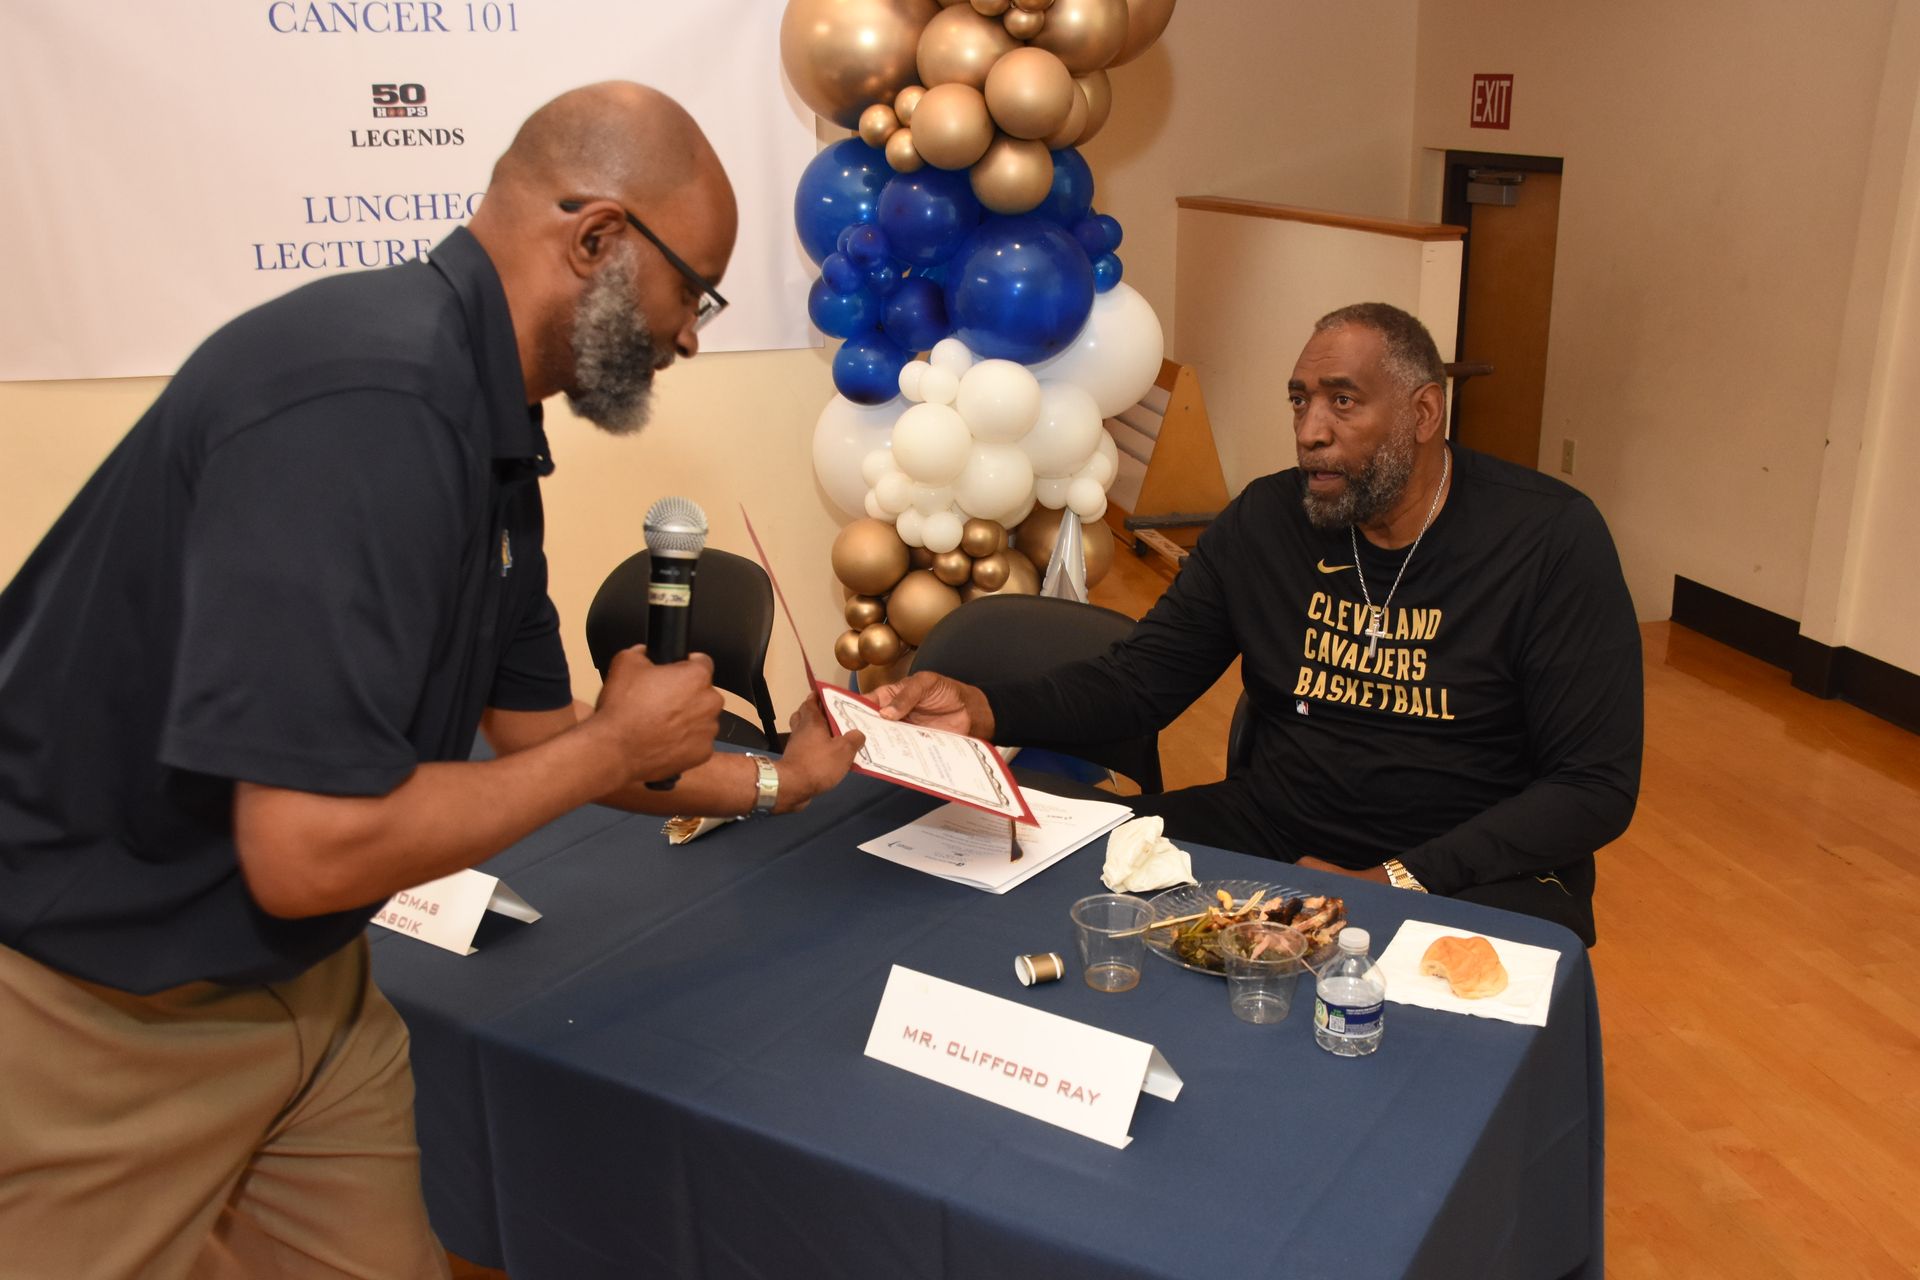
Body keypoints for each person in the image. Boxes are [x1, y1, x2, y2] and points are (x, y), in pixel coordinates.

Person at [0, 82, 861, 1279]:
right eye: (695, 289)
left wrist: (782, 780)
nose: (691, 334)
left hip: (306, 985)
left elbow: (537, 735)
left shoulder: (486, 423)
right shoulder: (368, 403)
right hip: (98, 1001)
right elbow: (308, 848)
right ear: (601, 239)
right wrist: (611, 745)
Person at [877, 302, 1641, 946]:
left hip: (1466, 860)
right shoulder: (1267, 523)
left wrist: (1394, 883)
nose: (1310, 429)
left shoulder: (1549, 540)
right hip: (1275, 831)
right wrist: (987, 706)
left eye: (1343, 400)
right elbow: (1139, 682)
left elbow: (1594, 785)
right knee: (1067, 876)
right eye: (1300, 400)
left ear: (1423, 413)